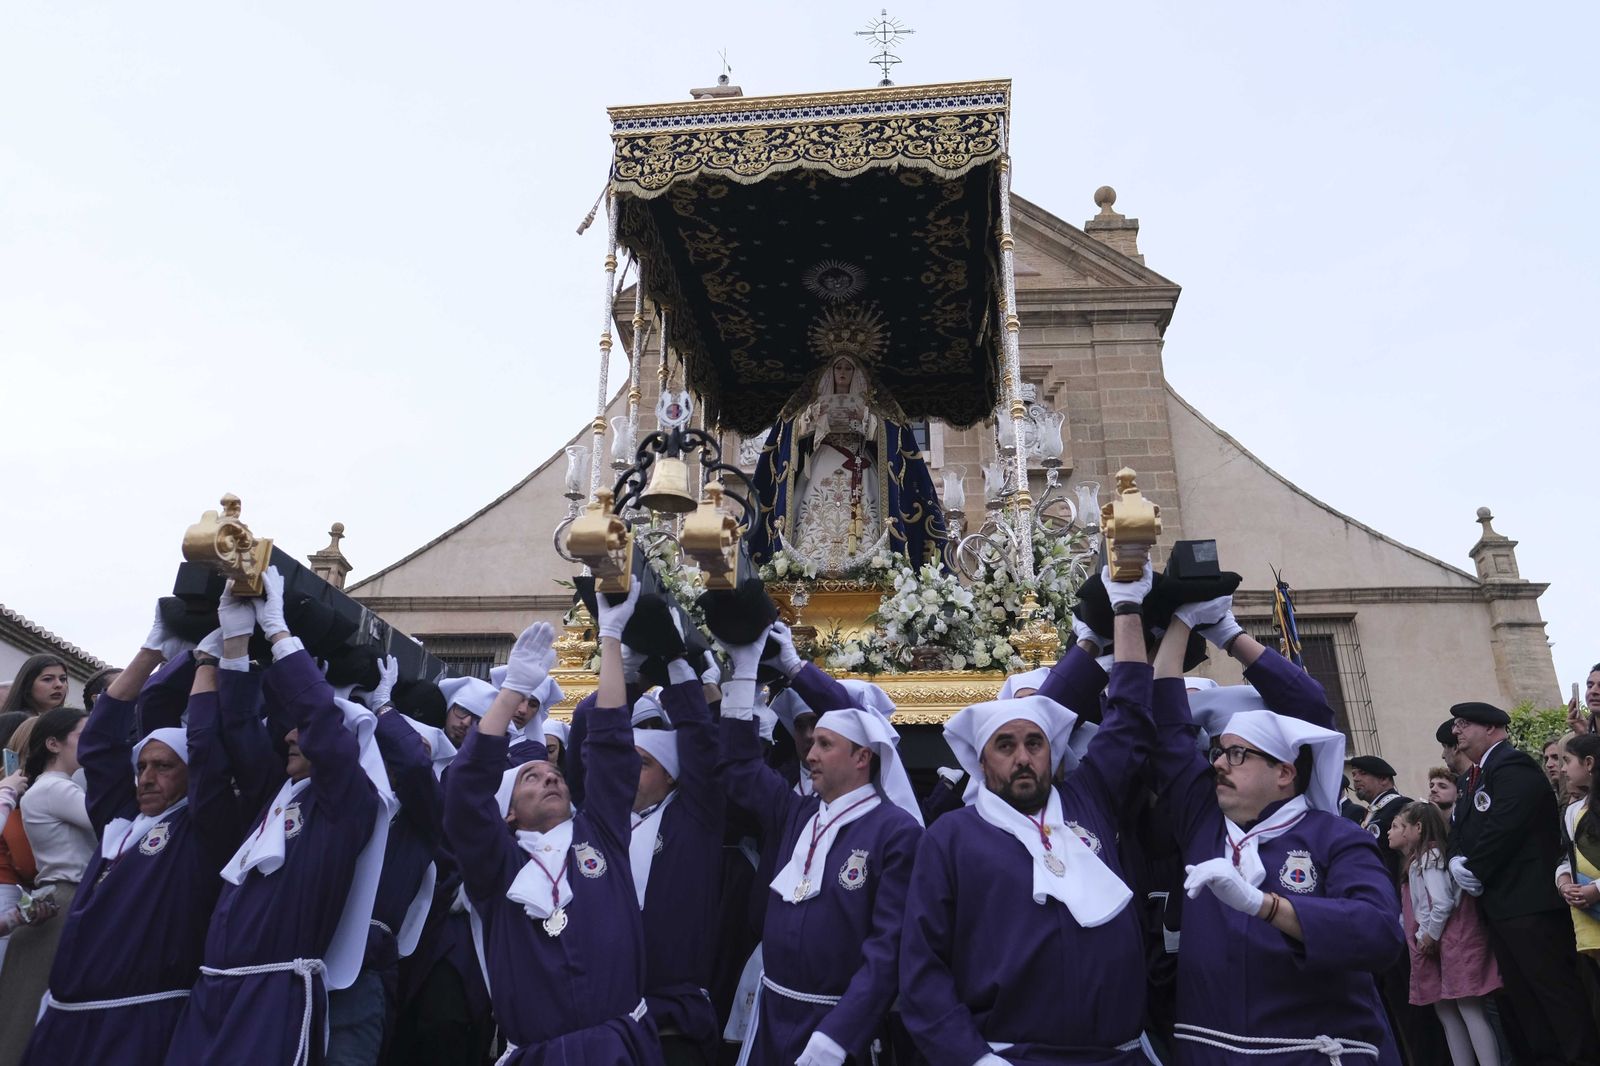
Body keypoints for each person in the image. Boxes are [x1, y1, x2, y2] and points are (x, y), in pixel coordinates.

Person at [899, 561, 1157, 1063]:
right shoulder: (950, 837)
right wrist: (972, 1059)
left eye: (1035, 742)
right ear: (981, 760)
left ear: (1052, 753)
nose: (1023, 757)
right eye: (1006, 744)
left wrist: (1126, 604)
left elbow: (1128, 716)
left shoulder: (1090, 797)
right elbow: (921, 967)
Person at [1150, 600, 1403, 1064]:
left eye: (1237, 755)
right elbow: (1169, 726)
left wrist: (1266, 907)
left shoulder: (1336, 837)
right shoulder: (1204, 822)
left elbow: (1380, 933)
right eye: (1218, 753)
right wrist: (1180, 623)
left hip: (1306, 1055)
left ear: (1284, 773)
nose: (1219, 764)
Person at [166, 568, 388, 1066]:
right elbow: (230, 736)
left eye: (301, 732)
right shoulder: (277, 797)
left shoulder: (346, 803)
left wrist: (280, 631)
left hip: (272, 998)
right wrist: (235, 646)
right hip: (211, 994)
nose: (288, 736)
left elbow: (320, 722)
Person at [20, 613, 242, 1066]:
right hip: (66, 1018)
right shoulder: (119, 824)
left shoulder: (202, 828)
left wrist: (205, 663)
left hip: (139, 1023)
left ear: (192, 775)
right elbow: (100, 741)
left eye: (164, 767)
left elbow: (204, 744)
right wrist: (153, 651)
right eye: (142, 765)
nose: (147, 776)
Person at [446, 601, 664, 1062]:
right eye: (530, 777)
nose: (549, 777)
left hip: (617, 1049)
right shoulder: (499, 864)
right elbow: (466, 793)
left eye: (554, 775)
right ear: (507, 814)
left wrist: (610, 638)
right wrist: (514, 691)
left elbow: (609, 745)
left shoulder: (600, 834)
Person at [718, 619, 922, 1066]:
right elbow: (738, 766)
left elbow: (889, 950)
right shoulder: (796, 811)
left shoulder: (896, 833)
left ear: (862, 757)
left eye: (825, 744)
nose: (809, 753)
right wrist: (745, 669)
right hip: (771, 1016)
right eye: (811, 741)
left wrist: (839, 1036)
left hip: (843, 1033)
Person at [1448, 700, 1600, 1065]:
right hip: (1501, 905)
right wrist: (1456, 858)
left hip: (1529, 904)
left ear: (1491, 728)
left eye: (1463, 724)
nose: (1456, 732)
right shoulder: (1476, 775)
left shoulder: (1511, 765)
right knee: (1525, 999)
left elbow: (1506, 822)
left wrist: (1476, 866)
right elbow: (1460, 824)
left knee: (1555, 996)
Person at [748, 353, 946, 572]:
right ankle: (807, 565)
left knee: (867, 510)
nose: (842, 373)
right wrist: (813, 417)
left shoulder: (870, 404)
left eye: (848, 369)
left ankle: (872, 567)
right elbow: (792, 432)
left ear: (856, 374)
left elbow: (888, 433)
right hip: (824, 459)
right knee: (814, 509)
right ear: (830, 373)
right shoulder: (814, 403)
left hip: (859, 462)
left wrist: (864, 418)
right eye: (838, 368)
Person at [0, 707, 92, 1065]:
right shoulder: (54, 788)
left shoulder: (53, 788)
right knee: (29, 1010)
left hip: (55, 900)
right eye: (85, 735)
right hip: (65, 899)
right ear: (53, 744)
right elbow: (110, 816)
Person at [1390, 800, 1502, 1066]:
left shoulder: (1430, 858)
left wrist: (1428, 935)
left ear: (1417, 828)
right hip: (1441, 941)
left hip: (1452, 940)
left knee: (1469, 1009)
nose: (1391, 832)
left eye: (1397, 826)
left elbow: (1440, 902)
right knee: (1448, 1011)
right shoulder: (1418, 861)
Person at [1555, 733, 1600, 963]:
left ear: (1589, 763)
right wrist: (1563, 883)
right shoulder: (1573, 810)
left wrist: (1597, 890)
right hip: (1589, 922)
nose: (1563, 769)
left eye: (1567, 760)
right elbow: (1567, 856)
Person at [0, 655, 70, 717]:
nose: (59, 685)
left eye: (63, 679)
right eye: (48, 679)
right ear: (28, 685)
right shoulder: (19, 722)